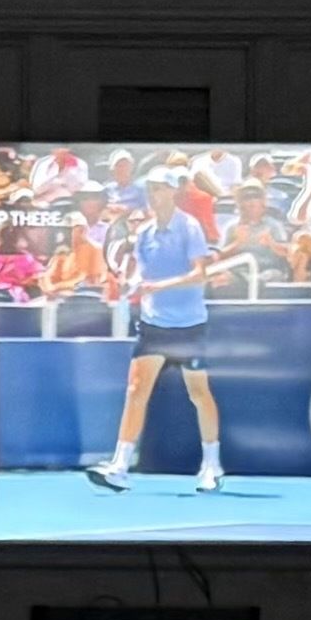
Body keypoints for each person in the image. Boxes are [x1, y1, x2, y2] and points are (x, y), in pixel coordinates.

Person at [92, 183, 224, 495]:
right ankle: (120, 467)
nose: (155, 195)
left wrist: (158, 287)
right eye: (152, 190)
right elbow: (142, 273)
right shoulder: (144, 233)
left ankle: (211, 466)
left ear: (173, 193)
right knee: (136, 391)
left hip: (189, 325)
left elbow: (200, 274)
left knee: (199, 393)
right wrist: (132, 283)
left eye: (161, 190)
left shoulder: (190, 227)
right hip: (154, 324)